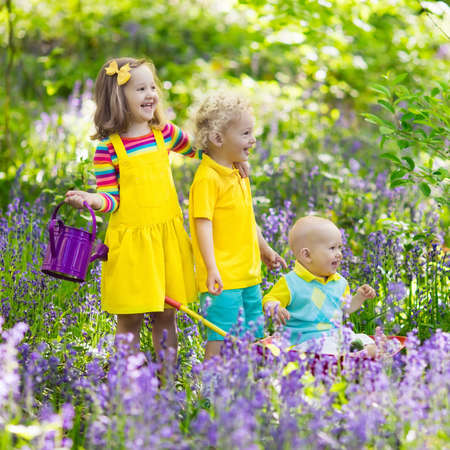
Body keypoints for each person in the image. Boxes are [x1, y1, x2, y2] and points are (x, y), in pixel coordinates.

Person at [64, 57, 201, 362]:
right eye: (140, 88)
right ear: (117, 98)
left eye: (153, 87)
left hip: (165, 240)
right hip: (131, 246)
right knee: (130, 319)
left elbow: (200, 151)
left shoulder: (164, 132)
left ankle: (166, 386)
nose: (151, 94)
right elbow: (110, 199)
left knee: (166, 315)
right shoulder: (108, 148)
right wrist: (90, 199)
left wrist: (232, 155)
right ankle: (126, 386)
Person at [189, 91, 287, 360]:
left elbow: (246, 219)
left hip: (248, 274)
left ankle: (249, 386)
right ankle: (208, 392)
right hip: (222, 278)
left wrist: (265, 249)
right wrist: (210, 268)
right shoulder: (208, 179)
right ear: (219, 139)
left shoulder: (238, 172)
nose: (253, 139)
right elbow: (202, 226)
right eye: (245, 134)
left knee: (255, 335)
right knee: (218, 337)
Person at [263, 215, 382, 356]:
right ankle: (359, 355)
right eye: (332, 248)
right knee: (330, 347)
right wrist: (274, 306)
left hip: (333, 336)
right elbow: (269, 299)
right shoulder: (291, 282)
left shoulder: (340, 282)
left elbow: (345, 309)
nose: (339, 254)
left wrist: (360, 297)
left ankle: (360, 352)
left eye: (340, 248)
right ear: (307, 255)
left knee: (360, 337)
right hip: (303, 342)